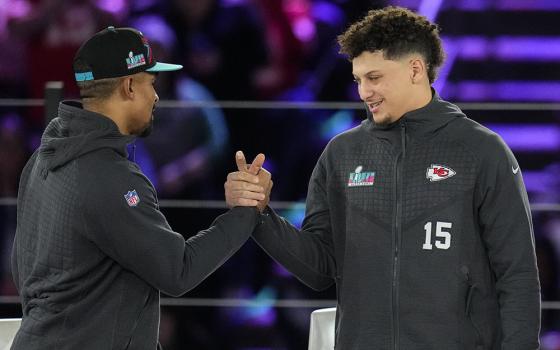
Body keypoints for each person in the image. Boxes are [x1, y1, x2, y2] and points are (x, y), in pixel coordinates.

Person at [225, 6, 541, 350]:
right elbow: (318, 270)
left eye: (374, 78)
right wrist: (261, 216)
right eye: (358, 79)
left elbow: (518, 274)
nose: (363, 92)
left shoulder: (482, 152)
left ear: (415, 70)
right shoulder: (341, 154)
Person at [10, 26, 266, 350]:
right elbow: (178, 271)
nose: (157, 96)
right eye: (151, 83)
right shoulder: (111, 177)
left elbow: (24, 268)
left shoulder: (42, 159)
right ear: (130, 86)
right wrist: (245, 211)